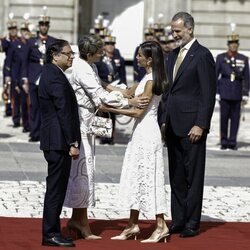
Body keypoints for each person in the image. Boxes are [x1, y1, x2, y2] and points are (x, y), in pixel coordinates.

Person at [63, 34, 149, 240]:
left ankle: (78, 218)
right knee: (83, 172)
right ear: (90, 53)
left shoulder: (88, 65)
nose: (103, 52)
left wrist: (116, 89)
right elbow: (99, 96)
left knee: (84, 172)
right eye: (100, 50)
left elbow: (100, 82)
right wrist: (130, 102)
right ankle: (81, 223)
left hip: (87, 124)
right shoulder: (81, 68)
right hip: (80, 126)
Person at [101, 41, 169, 243]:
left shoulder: (151, 81)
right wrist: (97, 81)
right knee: (136, 177)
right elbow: (125, 93)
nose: (136, 58)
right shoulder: (144, 79)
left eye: (140, 55)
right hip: (139, 134)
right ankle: (132, 225)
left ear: (149, 59)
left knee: (149, 178)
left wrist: (111, 110)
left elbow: (138, 112)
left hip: (148, 133)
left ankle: (161, 225)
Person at [160, 12, 216, 238]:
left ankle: (192, 222)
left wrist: (201, 124)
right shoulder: (172, 55)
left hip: (192, 127)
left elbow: (207, 93)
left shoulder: (202, 55)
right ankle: (178, 219)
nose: (174, 34)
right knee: (176, 176)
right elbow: (168, 91)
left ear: (190, 29)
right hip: (173, 125)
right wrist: (163, 120)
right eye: (173, 30)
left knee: (193, 177)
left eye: (177, 30)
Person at [38, 39, 81, 247]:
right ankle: (50, 234)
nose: (71, 56)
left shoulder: (53, 73)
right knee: (55, 189)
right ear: (55, 55)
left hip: (55, 139)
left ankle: (52, 231)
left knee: (57, 187)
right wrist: (72, 142)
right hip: (58, 141)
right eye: (68, 53)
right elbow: (64, 112)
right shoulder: (53, 76)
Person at [22, 9, 56, 142]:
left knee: (47, 107)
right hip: (33, 76)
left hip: (47, 77)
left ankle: (45, 134)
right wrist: (24, 78)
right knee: (34, 106)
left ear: (48, 26)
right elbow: (25, 60)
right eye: (42, 24)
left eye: (46, 24)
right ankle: (34, 132)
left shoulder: (53, 42)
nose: (44, 26)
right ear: (39, 26)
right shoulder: (31, 42)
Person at [216, 33, 249, 150]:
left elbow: (246, 77)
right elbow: (216, 75)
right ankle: (224, 141)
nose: (233, 46)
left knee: (235, 119)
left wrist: (245, 93)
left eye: (235, 44)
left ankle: (232, 141)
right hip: (224, 92)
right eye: (231, 44)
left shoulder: (243, 59)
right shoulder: (221, 58)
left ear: (238, 45)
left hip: (237, 93)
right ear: (228, 45)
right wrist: (217, 92)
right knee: (224, 119)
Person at [95, 35, 127, 145]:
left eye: (112, 44)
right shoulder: (99, 59)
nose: (110, 46)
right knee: (102, 111)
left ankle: (110, 137)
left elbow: (122, 76)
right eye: (108, 44)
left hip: (115, 88)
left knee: (112, 112)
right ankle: (102, 135)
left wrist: (124, 89)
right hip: (104, 87)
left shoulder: (118, 59)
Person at [4, 20, 31, 131]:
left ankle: (26, 123)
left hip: (28, 76)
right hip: (16, 76)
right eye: (23, 31)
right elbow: (9, 61)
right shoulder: (15, 45)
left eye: (26, 31)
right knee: (16, 100)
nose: (25, 33)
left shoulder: (30, 44)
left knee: (26, 102)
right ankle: (16, 119)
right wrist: (9, 76)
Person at [1, 14, 18, 117]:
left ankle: (15, 108)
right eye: (10, 29)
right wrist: (7, 38)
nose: (12, 30)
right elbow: (3, 47)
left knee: (15, 88)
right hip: (8, 66)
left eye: (14, 28)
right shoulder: (6, 40)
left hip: (17, 67)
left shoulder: (19, 39)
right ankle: (8, 109)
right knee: (7, 87)